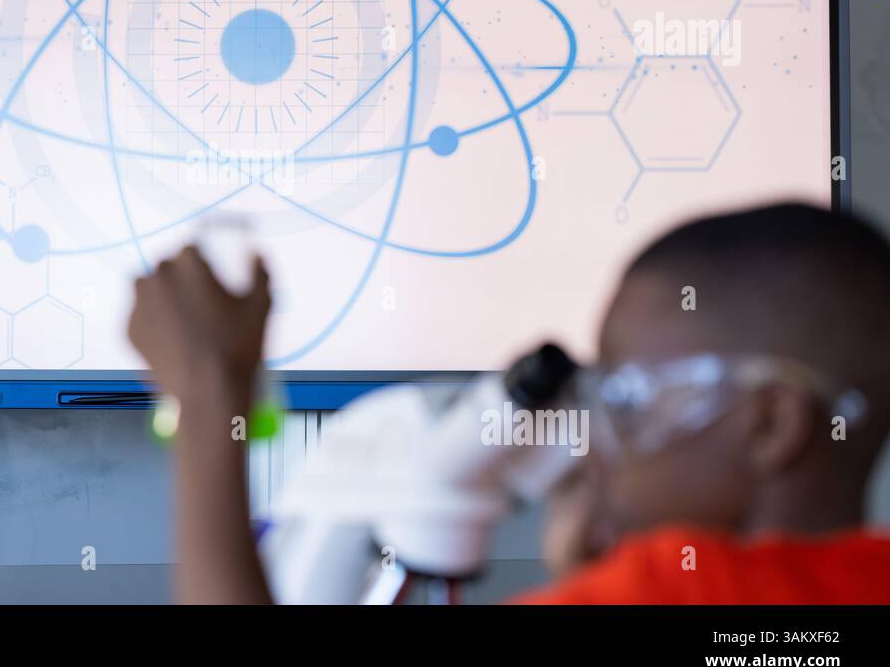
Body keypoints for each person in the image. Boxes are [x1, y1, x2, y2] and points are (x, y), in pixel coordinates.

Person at [127, 202, 890, 604]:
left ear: (772, 424)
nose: (597, 440)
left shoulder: (676, 590)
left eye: (626, 398)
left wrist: (207, 397)